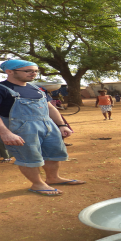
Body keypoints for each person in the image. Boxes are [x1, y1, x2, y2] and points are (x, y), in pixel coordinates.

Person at [0, 59, 85, 196]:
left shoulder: (37, 88)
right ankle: (37, 184)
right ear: (9, 72)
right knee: (29, 157)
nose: (33, 74)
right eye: (28, 71)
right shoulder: (2, 89)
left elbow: (50, 107)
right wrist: (6, 133)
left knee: (53, 153)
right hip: (21, 129)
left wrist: (62, 125)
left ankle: (53, 178)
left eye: (35, 71)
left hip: (47, 125)